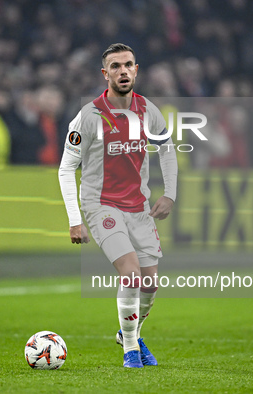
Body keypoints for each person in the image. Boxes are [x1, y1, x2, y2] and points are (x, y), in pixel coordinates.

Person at [58, 43, 178, 368]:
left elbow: (167, 150)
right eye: (115, 66)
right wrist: (75, 219)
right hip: (102, 206)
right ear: (105, 73)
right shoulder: (88, 117)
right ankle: (130, 352)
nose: (123, 71)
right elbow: (67, 168)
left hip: (139, 208)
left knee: (151, 282)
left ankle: (129, 333)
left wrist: (170, 194)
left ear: (136, 70)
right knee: (131, 274)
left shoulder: (148, 110)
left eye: (128, 65)